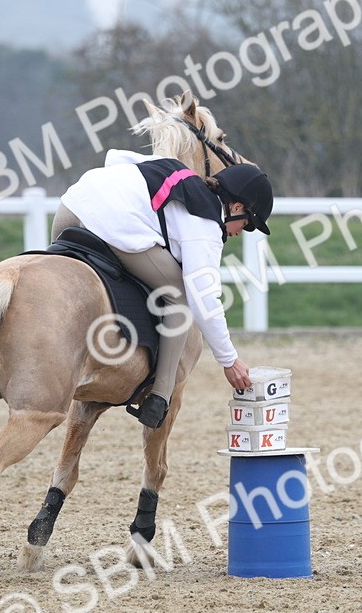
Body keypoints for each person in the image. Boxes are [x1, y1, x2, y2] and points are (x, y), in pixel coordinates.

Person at [49, 149, 274, 428]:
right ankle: (158, 398)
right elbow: (204, 300)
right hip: (110, 221)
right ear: (237, 207)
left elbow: (115, 157)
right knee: (178, 297)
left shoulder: (179, 172)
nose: (242, 231)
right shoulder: (206, 223)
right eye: (248, 223)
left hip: (70, 206)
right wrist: (229, 361)